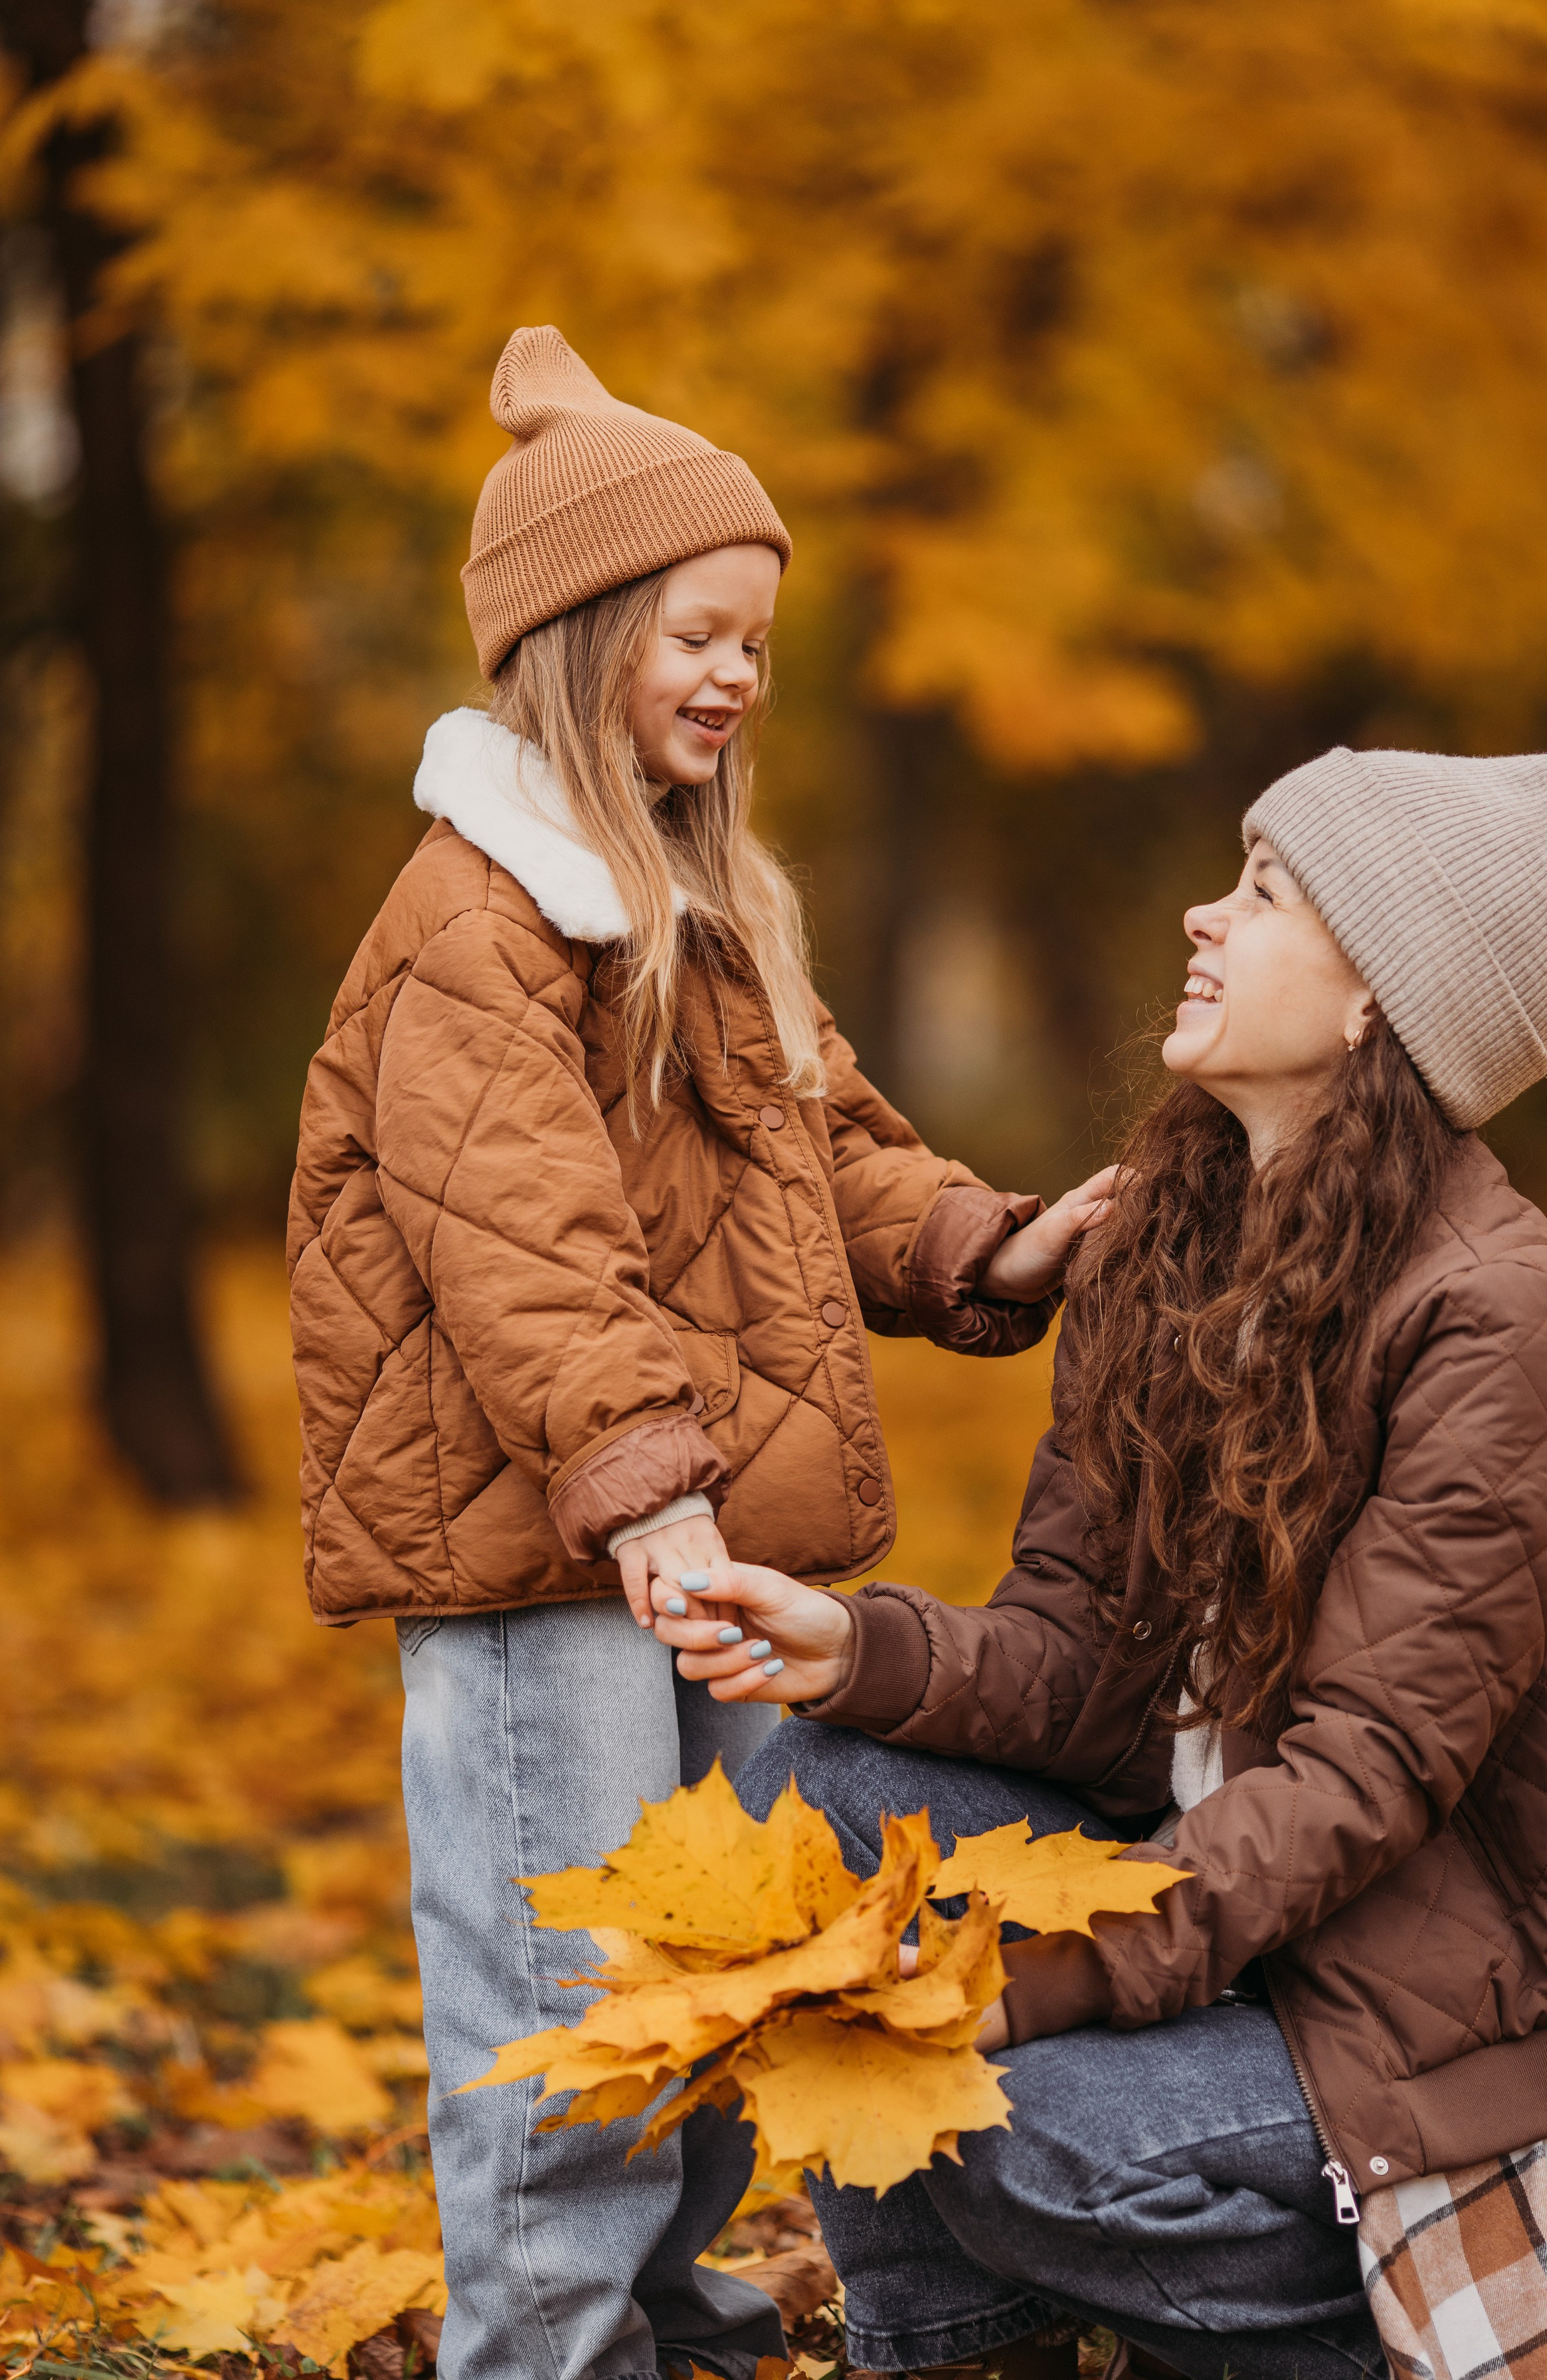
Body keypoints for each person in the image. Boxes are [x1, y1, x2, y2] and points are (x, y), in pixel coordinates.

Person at [651, 746, 1547, 2380]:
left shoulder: (1498, 1320)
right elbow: (1081, 1662)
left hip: (1412, 1991)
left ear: (1380, 1004)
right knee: (818, 1791)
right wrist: (852, 1650)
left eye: (1267, 893)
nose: (1203, 918)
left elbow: (1362, 1776)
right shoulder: (1166, 1240)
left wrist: (1033, 1980)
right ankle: (948, 2344)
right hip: (1209, 1878)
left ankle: (1347, 2330)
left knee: (1008, 2120)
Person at [286, 326, 1111, 2380]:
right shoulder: (472, 922)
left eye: (760, 640)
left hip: (688, 1530)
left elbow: (822, 1156)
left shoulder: (696, 909)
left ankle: (671, 2312)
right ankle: (550, 2347)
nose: (741, 676)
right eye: (700, 632)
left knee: (716, 1955)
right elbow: (522, 1251)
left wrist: (992, 1238)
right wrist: (647, 1489)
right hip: (544, 1547)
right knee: (563, 1976)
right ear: (575, 632)